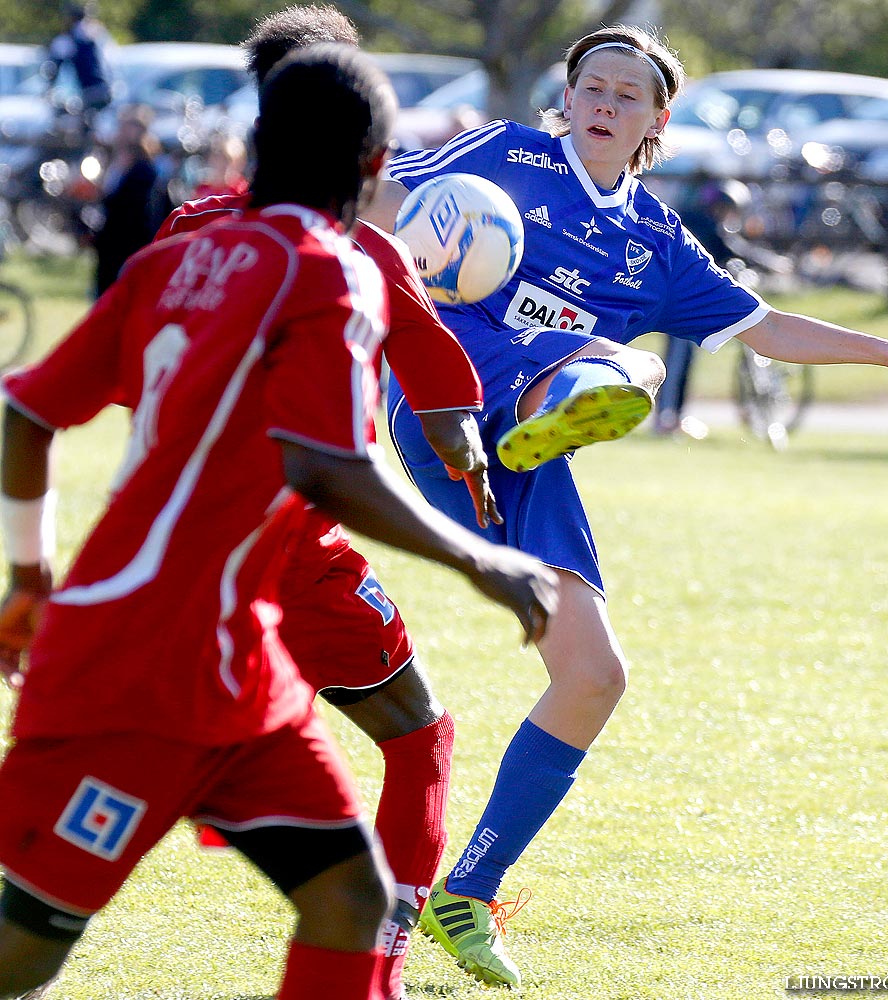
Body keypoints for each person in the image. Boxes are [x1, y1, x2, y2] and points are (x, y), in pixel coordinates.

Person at [363, 23, 888, 988]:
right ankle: (560, 395)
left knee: (595, 675)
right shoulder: (503, 155)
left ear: (655, 120)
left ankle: (466, 892)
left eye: (624, 96)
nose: (602, 106)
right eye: (590, 88)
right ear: (568, 96)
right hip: (444, 406)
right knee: (628, 364)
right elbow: (383, 189)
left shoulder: (651, 241)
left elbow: (763, 327)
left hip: (526, 464)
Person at [0, 42, 557, 1000]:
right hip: (137, 669)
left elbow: (26, 413)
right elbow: (326, 466)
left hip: (238, 668)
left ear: (256, 144)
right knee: (25, 955)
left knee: (348, 899)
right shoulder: (332, 272)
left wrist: (29, 576)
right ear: (376, 167)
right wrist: (480, 561)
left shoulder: (173, 256)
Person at [153, 9, 513, 998]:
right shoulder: (361, 254)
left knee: (119, 785)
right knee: (419, 736)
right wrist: (476, 494)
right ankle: (378, 962)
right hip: (293, 554)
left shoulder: (183, 232)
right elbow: (443, 418)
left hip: (164, 557)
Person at [92, 103, 171, 297]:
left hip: (130, 247)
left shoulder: (145, 169)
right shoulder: (113, 160)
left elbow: (143, 213)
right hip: (109, 248)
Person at [43, 3, 113, 121]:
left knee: (79, 124)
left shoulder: (69, 38)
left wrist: (49, 88)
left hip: (90, 90)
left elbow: (53, 67)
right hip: (106, 89)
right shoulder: (96, 32)